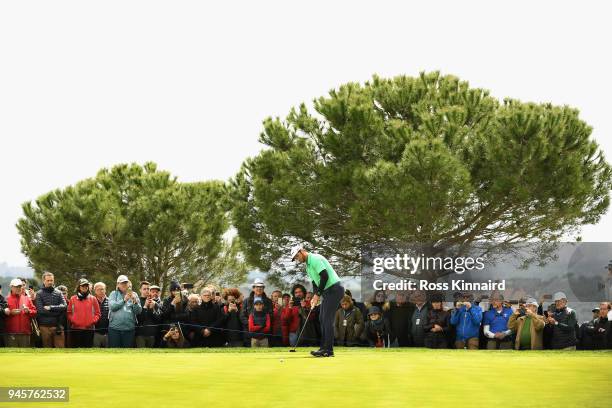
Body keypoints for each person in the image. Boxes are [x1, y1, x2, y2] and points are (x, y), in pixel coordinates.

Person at [291, 245, 344, 357]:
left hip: (334, 289)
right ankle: (323, 348)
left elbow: (324, 276)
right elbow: (316, 282)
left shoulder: (315, 258)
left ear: (302, 252)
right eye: (295, 258)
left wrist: (318, 294)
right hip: (328, 291)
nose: (297, 259)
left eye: (297, 256)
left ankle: (328, 350)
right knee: (322, 318)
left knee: (326, 319)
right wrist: (316, 295)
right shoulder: (308, 266)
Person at [108, 275, 142, 348]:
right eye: (122, 283)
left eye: (125, 283)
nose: (124, 284)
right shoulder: (113, 294)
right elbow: (112, 307)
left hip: (129, 329)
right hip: (114, 329)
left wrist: (135, 302)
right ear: (118, 284)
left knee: (127, 352)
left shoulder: (134, 294)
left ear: (128, 284)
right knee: (114, 352)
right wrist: (124, 300)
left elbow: (138, 311)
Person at [35, 271, 67, 348]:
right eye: (48, 280)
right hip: (45, 327)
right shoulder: (39, 294)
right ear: (44, 281)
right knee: (47, 350)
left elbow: (64, 306)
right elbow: (41, 311)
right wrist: (57, 312)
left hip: (58, 326)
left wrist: (50, 308)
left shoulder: (59, 293)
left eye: (51, 280)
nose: (50, 282)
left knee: (60, 349)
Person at [67, 278, 101, 347]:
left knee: (87, 350)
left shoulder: (93, 299)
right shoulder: (73, 299)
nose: (85, 287)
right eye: (83, 286)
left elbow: (98, 313)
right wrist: (74, 321)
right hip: (76, 329)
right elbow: (69, 313)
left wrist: (92, 321)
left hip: (89, 329)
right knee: (76, 350)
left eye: (86, 286)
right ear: (79, 287)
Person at [3, 278, 37, 347]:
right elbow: (2, 314)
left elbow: (35, 312)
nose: (19, 288)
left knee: (25, 355)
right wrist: (10, 313)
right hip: (11, 333)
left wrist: (29, 311)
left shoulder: (27, 298)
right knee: (12, 355)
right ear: (11, 287)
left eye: (20, 286)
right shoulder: (6, 299)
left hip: (25, 332)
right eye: (16, 286)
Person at [135, 281, 161, 348]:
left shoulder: (154, 302)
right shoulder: (137, 301)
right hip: (140, 334)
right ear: (140, 290)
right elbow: (139, 319)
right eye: (144, 289)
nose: (146, 291)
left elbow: (158, 319)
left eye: (148, 289)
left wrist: (152, 309)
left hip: (152, 334)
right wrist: (145, 307)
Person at [93, 282, 109, 347]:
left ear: (105, 290)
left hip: (108, 333)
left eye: (102, 289)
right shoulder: (92, 301)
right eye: (98, 289)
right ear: (95, 291)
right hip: (95, 333)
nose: (101, 291)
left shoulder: (110, 301)